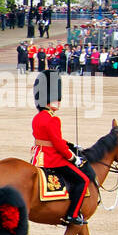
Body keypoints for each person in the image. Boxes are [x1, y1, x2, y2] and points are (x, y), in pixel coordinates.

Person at [30, 90, 90, 225]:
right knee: (83, 180)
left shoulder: (37, 117)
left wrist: (71, 144)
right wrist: (73, 158)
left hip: (38, 155)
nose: (59, 103)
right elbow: (57, 144)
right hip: (52, 158)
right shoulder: (53, 119)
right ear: (47, 103)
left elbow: (49, 138)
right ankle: (72, 215)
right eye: (56, 100)